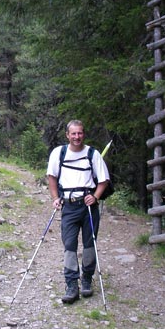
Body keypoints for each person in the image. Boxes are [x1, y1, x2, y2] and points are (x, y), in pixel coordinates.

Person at [46, 120, 110, 304]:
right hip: (69, 205)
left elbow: (104, 180)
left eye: (80, 133)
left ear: (84, 134)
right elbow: (52, 177)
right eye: (73, 134)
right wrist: (55, 197)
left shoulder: (93, 154)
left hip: (89, 206)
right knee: (69, 245)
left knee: (90, 244)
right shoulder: (59, 153)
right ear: (67, 135)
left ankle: (87, 279)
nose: (76, 137)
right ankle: (71, 283)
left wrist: (96, 197)